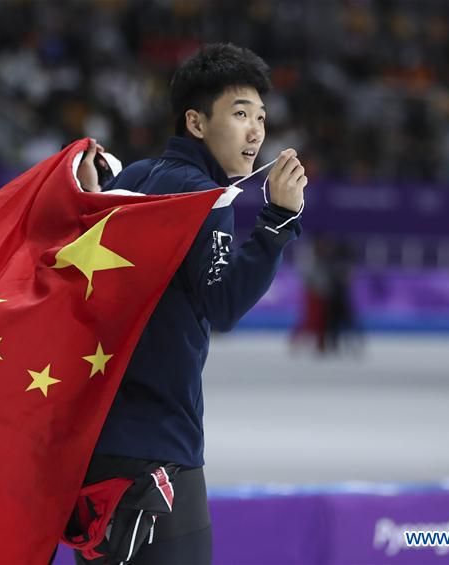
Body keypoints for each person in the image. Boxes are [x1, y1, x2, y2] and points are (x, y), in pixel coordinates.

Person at [69, 42, 307, 565]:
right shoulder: (202, 197)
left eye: (261, 117)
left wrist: (94, 196)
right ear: (196, 123)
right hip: (159, 456)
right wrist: (277, 224)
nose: (256, 132)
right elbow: (223, 306)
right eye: (240, 114)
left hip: (92, 448)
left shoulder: (131, 180)